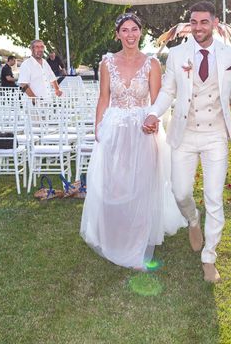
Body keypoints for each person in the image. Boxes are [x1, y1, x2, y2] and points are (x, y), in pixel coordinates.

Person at [143, 0, 231, 283]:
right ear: (189, 25)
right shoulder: (177, 55)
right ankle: (192, 219)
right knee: (180, 192)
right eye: (194, 22)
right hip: (185, 133)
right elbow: (167, 91)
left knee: (214, 198)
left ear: (215, 23)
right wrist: (154, 113)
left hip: (216, 134)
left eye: (204, 22)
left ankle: (209, 257)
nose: (199, 27)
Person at [80, 13, 186, 270]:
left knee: (141, 183)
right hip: (114, 128)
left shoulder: (152, 64)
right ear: (117, 34)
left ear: (140, 33)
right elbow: (103, 98)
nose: (130, 34)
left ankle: (137, 241)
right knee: (114, 183)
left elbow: (158, 100)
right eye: (124, 30)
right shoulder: (107, 63)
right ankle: (114, 233)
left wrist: (155, 120)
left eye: (134, 29)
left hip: (142, 129)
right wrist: (98, 127)